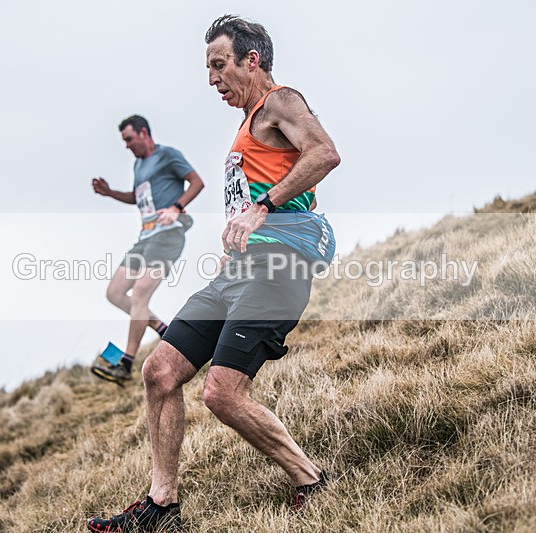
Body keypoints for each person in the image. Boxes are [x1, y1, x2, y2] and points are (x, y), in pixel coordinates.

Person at [88, 15, 340, 532]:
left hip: (277, 272)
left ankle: (310, 479)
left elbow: (325, 153)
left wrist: (263, 207)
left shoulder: (281, 102)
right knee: (158, 373)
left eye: (219, 65)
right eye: (208, 68)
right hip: (237, 274)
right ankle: (161, 508)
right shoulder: (248, 126)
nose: (211, 79)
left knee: (222, 393)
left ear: (252, 60)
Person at [90, 115, 204, 385]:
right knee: (115, 292)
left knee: (140, 293)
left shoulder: (168, 155)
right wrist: (110, 193)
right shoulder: (139, 165)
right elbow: (136, 196)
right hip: (145, 238)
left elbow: (197, 182)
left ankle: (126, 364)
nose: (127, 145)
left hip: (168, 235)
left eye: (129, 139)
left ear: (144, 133)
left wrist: (176, 208)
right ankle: (161, 327)